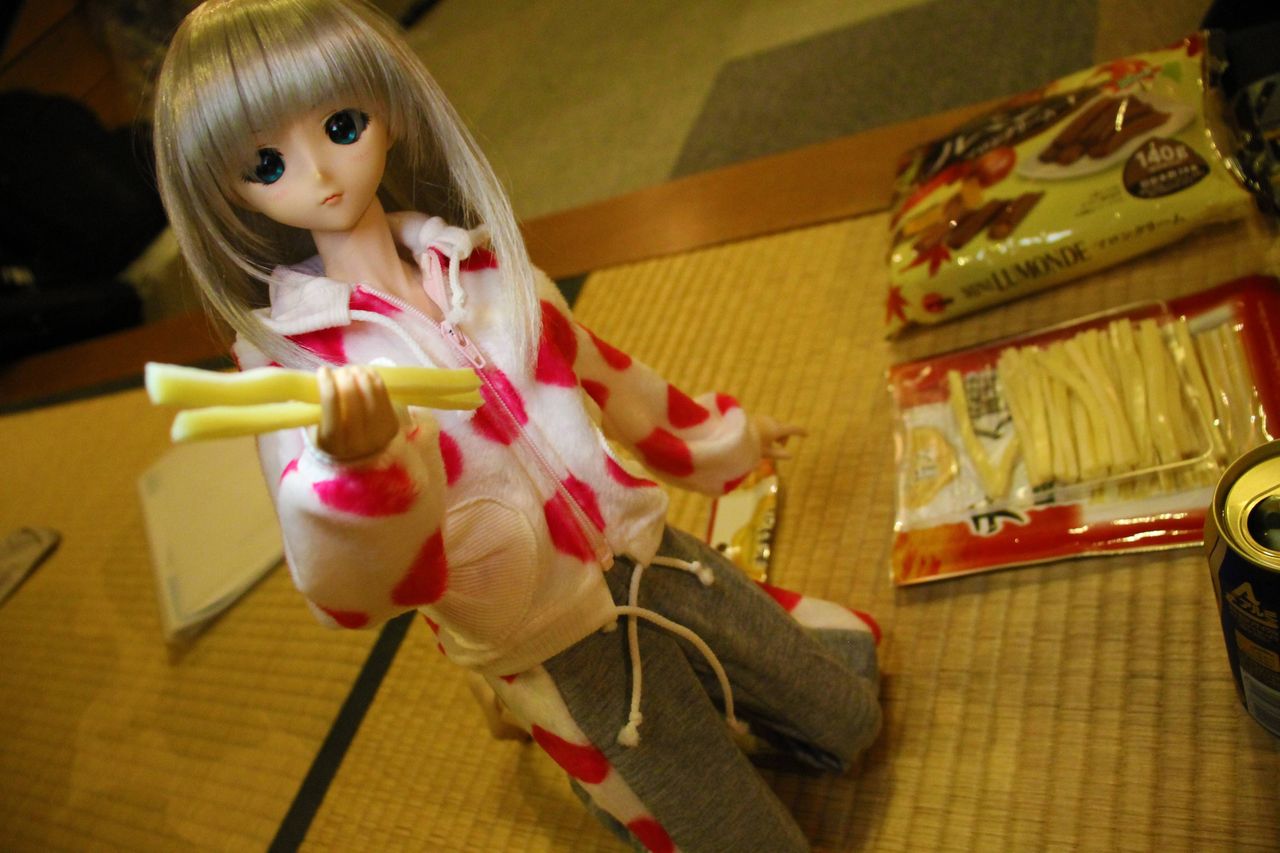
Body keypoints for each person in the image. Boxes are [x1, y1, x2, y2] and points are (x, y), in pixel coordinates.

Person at [153, 1, 882, 849]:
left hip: (648, 551)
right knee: (741, 836)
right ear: (227, 190)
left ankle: (668, 714)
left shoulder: (487, 270)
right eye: (268, 163)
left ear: (389, 110)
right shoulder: (290, 371)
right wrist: (359, 479)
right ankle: (574, 749)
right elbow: (348, 595)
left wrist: (726, 437)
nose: (320, 173)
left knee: (849, 711)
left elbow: (612, 378)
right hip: (546, 636)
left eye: (342, 125)